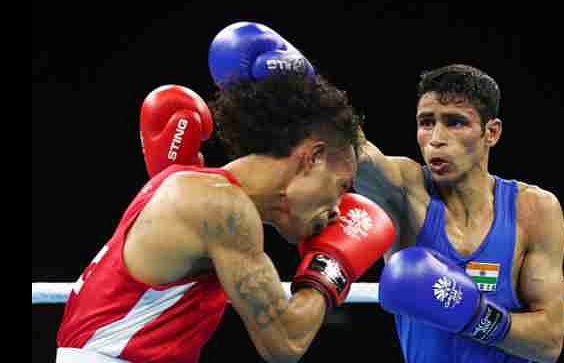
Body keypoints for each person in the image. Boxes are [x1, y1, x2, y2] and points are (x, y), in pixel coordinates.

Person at [55, 22, 396, 363]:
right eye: (340, 186)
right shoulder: (220, 207)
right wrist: (331, 266)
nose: (339, 208)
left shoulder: (194, 187)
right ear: (313, 157)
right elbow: (285, 345)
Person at [359, 64, 564, 363]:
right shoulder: (405, 192)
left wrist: (474, 316)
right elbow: (352, 153)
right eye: (426, 122)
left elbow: (548, 343)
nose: (436, 138)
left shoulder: (533, 209)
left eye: (455, 122)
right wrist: (302, 78)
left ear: (491, 132)